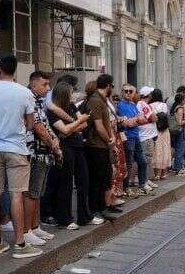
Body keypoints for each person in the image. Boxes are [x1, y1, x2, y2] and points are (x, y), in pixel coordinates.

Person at [0, 54, 42, 259]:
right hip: (16, 147)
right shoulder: (24, 92)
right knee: (17, 194)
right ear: (15, 69)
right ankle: (19, 243)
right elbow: (31, 123)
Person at [48, 81, 100, 229]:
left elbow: (82, 125)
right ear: (64, 94)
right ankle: (64, 219)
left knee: (83, 181)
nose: (73, 95)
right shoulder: (52, 111)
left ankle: (85, 216)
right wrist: (76, 124)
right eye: (71, 93)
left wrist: (73, 126)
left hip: (77, 146)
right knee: (66, 183)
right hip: (65, 148)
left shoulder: (70, 107)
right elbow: (64, 130)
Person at [24, 72, 63, 240]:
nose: (48, 88)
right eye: (45, 84)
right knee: (32, 192)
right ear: (34, 85)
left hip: (42, 152)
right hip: (35, 152)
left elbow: (45, 126)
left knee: (38, 192)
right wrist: (53, 144)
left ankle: (35, 226)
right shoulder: (30, 100)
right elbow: (38, 128)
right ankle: (27, 230)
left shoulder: (39, 101)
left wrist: (53, 140)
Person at [82, 74, 115, 220]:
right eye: (112, 86)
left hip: (101, 145)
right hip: (95, 146)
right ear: (108, 86)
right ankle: (94, 209)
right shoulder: (96, 101)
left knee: (104, 178)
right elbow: (99, 126)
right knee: (96, 179)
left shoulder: (101, 100)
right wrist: (109, 140)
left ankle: (101, 207)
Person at [117, 84, 151, 197]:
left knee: (143, 161)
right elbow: (128, 123)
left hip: (136, 136)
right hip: (128, 137)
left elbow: (142, 119)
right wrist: (137, 119)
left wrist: (137, 119)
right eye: (126, 91)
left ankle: (142, 185)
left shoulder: (132, 104)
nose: (128, 93)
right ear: (122, 92)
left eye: (131, 91)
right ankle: (126, 188)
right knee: (129, 164)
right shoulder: (120, 105)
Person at [136, 86, 159, 190]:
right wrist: (154, 117)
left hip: (147, 135)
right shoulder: (143, 104)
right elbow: (153, 117)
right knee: (146, 159)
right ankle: (144, 181)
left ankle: (146, 179)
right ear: (148, 94)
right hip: (146, 136)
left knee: (148, 159)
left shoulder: (144, 104)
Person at [148, 89, 171, 180]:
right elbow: (167, 116)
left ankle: (156, 174)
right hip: (165, 131)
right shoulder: (164, 105)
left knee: (156, 151)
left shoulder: (150, 106)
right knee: (165, 150)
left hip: (155, 130)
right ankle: (164, 173)